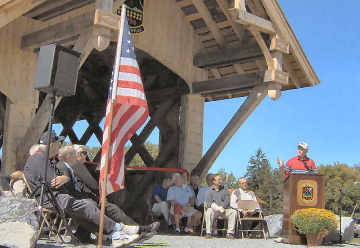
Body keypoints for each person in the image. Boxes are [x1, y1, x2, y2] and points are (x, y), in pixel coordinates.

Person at [23, 131, 158, 245]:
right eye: (57, 143)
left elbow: (54, 179)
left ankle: (115, 234)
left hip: (56, 198)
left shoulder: (41, 159)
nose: (59, 145)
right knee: (87, 206)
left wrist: (63, 178)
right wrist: (64, 178)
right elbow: (53, 181)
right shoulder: (39, 159)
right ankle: (118, 231)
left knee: (88, 206)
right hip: (53, 199)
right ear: (51, 144)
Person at [204, 174, 236, 239]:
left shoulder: (225, 190)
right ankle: (208, 233)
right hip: (214, 211)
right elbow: (208, 203)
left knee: (233, 212)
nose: (220, 181)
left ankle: (230, 233)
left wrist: (222, 207)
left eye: (220, 179)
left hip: (224, 210)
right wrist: (217, 208)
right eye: (218, 179)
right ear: (213, 181)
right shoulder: (209, 191)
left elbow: (227, 201)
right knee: (209, 211)